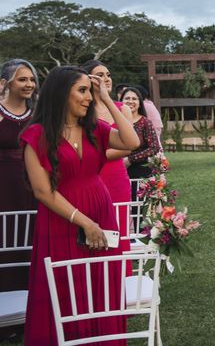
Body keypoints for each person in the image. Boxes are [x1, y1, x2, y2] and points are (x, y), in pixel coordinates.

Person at [20, 66, 139, 344]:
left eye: (90, 90)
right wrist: (84, 222)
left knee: (102, 281)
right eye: (83, 90)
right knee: (67, 285)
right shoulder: (36, 136)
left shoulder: (94, 128)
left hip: (101, 210)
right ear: (62, 93)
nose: (89, 97)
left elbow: (132, 141)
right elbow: (43, 191)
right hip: (63, 218)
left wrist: (107, 99)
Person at [0, 59, 38, 340]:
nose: (29, 85)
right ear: (6, 82)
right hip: (3, 187)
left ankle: (27, 316)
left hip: (32, 186)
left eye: (31, 80)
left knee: (29, 245)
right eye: (22, 79)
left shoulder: (36, 114)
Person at [82, 60, 133, 254]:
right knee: (93, 229)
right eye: (100, 75)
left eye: (108, 75)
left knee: (118, 229)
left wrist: (95, 156)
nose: (106, 79)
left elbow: (129, 146)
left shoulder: (122, 108)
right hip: (90, 177)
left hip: (116, 177)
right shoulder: (82, 109)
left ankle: (121, 275)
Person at [121, 87, 161, 189]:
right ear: (121, 101)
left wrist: (130, 160)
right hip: (117, 170)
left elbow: (154, 148)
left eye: (134, 99)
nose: (130, 101)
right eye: (127, 98)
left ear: (139, 103)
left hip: (140, 172)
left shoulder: (145, 122)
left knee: (137, 203)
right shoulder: (116, 121)